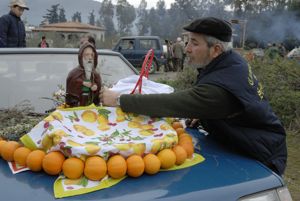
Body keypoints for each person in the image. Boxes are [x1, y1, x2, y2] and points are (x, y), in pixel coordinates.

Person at [100, 17, 287, 176]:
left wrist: (119, 99)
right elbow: (227, 105)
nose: (187, 48)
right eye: (188, 41)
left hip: (261, 157)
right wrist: (206, 113)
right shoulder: (231, 62)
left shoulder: (218, 90)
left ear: (216, 50)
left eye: (194, 43)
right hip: (245, 147)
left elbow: (173, 103)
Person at [65, 42, 102, 107]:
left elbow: (98, 95)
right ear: (81, 56)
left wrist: (95, 87)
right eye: (87, 55)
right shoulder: (73, 74)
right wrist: (82, 83)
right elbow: (70, 93)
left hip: (93, 111)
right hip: (76, 110)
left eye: (92, 55)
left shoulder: (96, 75)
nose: (90, 57)